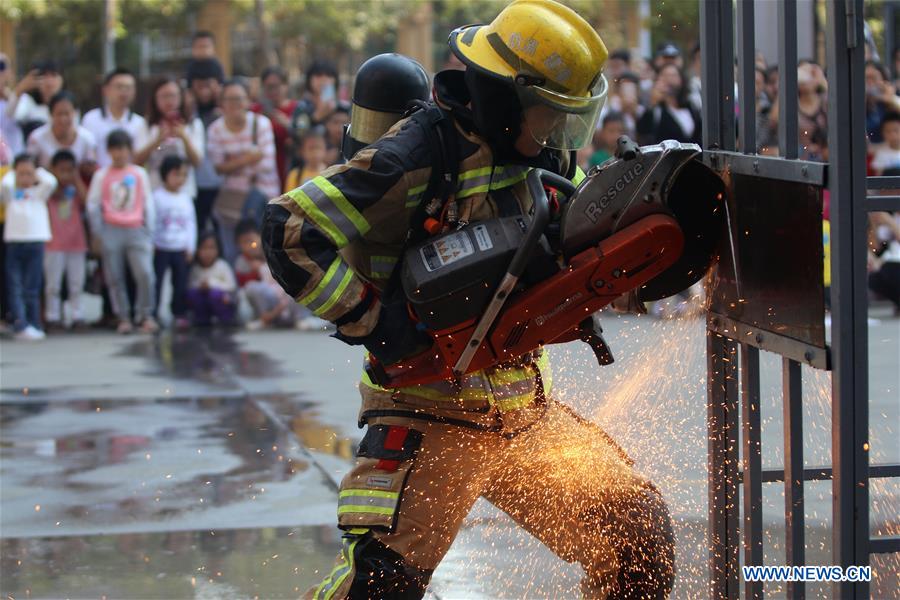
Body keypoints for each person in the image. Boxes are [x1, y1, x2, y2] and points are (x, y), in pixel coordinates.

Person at [262, 2, 675, 598]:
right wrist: (385, 329)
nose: (560, 135)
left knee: (637, 537)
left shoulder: (543, 151)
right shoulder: (414, 155)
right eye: (551, 115)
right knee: (381, 587)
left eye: (570, 118)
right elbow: (288, 229)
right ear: (506, 98)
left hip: (524, 412)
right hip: (428, 411)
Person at [86, 130, 157, 335]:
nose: (119, 154)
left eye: (123, 149)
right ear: (109, 151)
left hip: (136, 228)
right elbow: (93, 204)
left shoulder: (138, 173)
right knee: (114, 277)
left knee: (145, 273)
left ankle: (145, 314)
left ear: (130, 150)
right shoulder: (102, 175)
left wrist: (149, 231)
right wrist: (98, 232)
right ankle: (123, 316)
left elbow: (147, 202)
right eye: (115, 149)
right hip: (111, 228)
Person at [207, 79, 280, 263]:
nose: (235, 104)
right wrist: (249, 157)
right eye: (230, 99)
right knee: (232, 254)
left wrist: (232, 162)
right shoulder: (215, 130)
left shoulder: (261, 124)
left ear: (248, 100)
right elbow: (217, 168)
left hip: (263, 198)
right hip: (232, 203)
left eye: (239, 98)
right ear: (222, 103)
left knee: (264, 253)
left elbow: (266, 164)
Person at [1, 153, 56, 340]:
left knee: (32, 287)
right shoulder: (11, 193)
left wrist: (36, 171)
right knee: (15, 286)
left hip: (36, 241)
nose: (25, 177)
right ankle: (20, 324)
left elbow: (51, 181)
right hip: (15, 242)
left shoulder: (38, 193)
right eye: (21, 173)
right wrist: (14, 172)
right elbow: (5, 185)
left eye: (29, 173)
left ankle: (34, 323)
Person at [233, 218, 320, 330]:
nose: (249, 246)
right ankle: (266, 320)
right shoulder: (242, 262)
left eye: (251, 241)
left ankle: (302, 318)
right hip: (271, 300)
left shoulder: (274, 251)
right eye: (244, 243)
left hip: (286, 297)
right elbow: (246, 288)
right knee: (251, 287)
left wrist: (262, 267)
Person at [134, 77, 205, 197]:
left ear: (181, 97)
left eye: (173, 95)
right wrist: (157, 141)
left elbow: (197, 162)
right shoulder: (146, 124)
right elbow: (137, 161)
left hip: (184, 193)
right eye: (164, 96)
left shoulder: (193, 124)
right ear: (155, 99)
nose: (169, 101)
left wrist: (184, 137)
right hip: (154, 191)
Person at [44, 149, 88, 330]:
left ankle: (78, 315)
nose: (65, 175)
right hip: (53, 244)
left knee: (76, 283)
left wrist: (76, 179)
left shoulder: (74, 190)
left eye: (69, 170)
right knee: (53, 284)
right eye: (61, 170)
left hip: (76, 242)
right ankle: (52, 316)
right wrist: (53, 182)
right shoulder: (47, 190)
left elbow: (87, 201)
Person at [153, 155, 196, 329]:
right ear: (165, 174)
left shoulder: (186, 198)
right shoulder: (156, 197)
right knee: (157, 282)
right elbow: (152, 222)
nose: (180, 179)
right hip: (161, 247)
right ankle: (153, 313)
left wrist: (190, 246)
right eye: (176, 174)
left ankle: (179, 312)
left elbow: (191, 224)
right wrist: (152, 243)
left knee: (180, 283)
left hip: (180, 247)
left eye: (184, 175)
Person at [186, 57, 225, 235]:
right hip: (195, 184)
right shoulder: (187, 115)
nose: (204, 91)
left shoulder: (225, 113)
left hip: (223, 184)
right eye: (199, 85)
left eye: (208, 85)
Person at [81, 68, 146, 168]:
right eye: (119, 86)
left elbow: (140, 159)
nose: (124, 91)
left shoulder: (140, 123)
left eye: (128, 87)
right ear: (105, 90)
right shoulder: (90, 119)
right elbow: (86, 156)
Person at [26, 91, 97, 171]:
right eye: (59, 114)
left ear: (75, 113)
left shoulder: (87, 139)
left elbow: (92, 170)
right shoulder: (36, 138)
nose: (63, 119)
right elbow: (29, 167)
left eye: (67, 113)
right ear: (51, 114)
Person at [251, 66, 298, 186]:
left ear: (286, 86)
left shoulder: (296, 109)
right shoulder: (256, 110)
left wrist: (288, 125)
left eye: (276, 86)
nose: (272, 91)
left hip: (289, 167)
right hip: (263, 173)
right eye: (268, 87)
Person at [637, 63, 702, 146]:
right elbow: (643, 131)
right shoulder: (657, 110)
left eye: (673, 75)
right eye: (666, 76)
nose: (670, 80)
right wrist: (652, 104)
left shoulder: (690, 106)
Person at [187, 231, 236, 326]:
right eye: (204, 248)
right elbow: (190, 285)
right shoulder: (195, 268)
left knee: (215, 294)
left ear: (218, 249)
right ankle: (201, 319)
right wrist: (200, 286)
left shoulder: (222, 265)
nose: (208, 252)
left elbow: (231, 286)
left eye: (211, 248)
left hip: (221, 302)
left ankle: (224, 318)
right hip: (203, 301)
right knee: (192, 294)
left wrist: (211, 284)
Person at [290, 59, 340, 149]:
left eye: (329, 76)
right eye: (318, 75)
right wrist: (316, 117)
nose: (324, 79)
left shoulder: (342, 107)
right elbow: (297, 133)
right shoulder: (302, 107)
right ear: (309, 79)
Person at [9, 60, 64, 139]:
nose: (49, 82)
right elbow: (11, 115)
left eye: (53, 75)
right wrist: (20, 90)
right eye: (44, 76)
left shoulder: (68, 105)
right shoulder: (28, 102)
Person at [865, 61, 900, 144]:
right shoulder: (858, 101)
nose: (869, 82)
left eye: (873, 78)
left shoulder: (890, 100)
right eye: (866, 78)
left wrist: (891, 99)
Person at [283, 127, 328, 192]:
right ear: (302, 151)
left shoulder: (331, 174)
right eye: (311, 148)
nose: (315, 152)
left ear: (325, 149)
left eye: (318, 147)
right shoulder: (295, 175)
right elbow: (289, 197)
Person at [0, 52, 24, 160]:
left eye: (1, 67)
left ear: (10, 72)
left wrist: (12, 96)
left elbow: (18, 115)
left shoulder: (22, 99)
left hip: (16, 164)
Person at [323, 102, 350, 167]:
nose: (340, 127)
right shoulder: (320, 144)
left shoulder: (351, 147)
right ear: (327, 124)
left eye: (344, 123)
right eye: (336, 122)